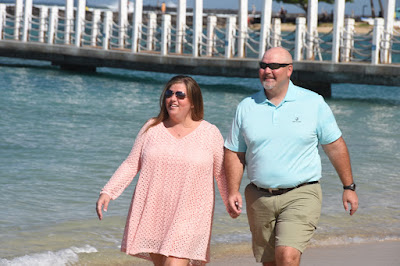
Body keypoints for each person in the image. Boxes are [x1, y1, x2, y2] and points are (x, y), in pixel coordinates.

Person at [224, 47, 359, 266]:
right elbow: (234, 152)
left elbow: (334, 146)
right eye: (263, 66)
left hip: (301, 193)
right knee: (269, 262)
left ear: (289, 70)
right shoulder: (246, 106)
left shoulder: (313, 103)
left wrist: (348, 187)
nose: (267, 71)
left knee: (287, 257)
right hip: (258, 196)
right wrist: (232, 190)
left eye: (274, 66)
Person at [96, 75, 228, 266]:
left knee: (174, 263)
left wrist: (232, 202)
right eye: (169, 93)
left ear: (193, 102)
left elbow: (221, 173)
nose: (173, 99)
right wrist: (108, 192)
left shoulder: (210, 133)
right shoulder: (152, 128)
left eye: (180, 95)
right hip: (154, 211)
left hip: (191, 214)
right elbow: (132, 163)